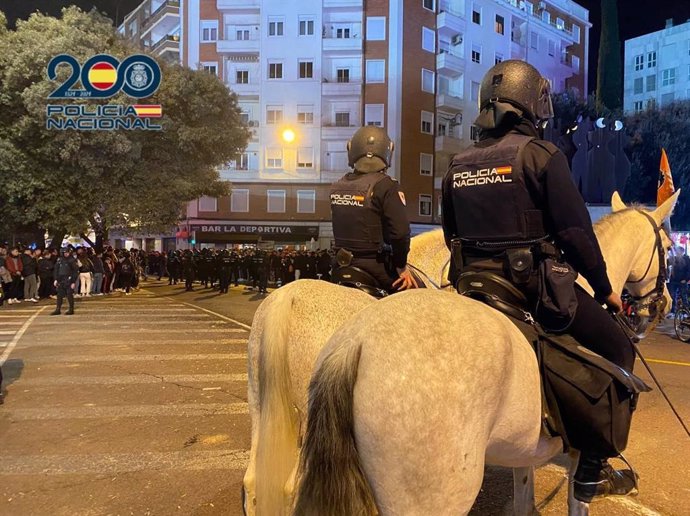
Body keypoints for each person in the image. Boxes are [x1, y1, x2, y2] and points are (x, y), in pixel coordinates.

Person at [441, 60, 636, 503]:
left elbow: (452, 234)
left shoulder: (458, 164)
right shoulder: (540, 156)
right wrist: (605, 290)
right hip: (531, 289)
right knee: (619, 347)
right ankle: (592, 467)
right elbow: (575, 236)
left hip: (473, 287)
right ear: (531, 103)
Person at [329, 126, 417, 293]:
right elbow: (400, 233)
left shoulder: (337, 186)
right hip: (376, 269)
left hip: (340, 267)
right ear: (387, 152)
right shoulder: (387, 186)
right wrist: (401, 266)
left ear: (351, 150)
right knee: (419, 299)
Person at [51, 246, 78, 315]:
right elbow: (56, 270)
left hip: (69, 279)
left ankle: (71, 309)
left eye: (67, 252)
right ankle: (58, 309)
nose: (66, 254)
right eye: (65, 252)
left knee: (69, 295)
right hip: (60, 280)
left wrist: (73, 281)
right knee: (59, 295)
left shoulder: (72, 260)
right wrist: (56, 279)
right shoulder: (59, 260)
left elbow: (75, 271)